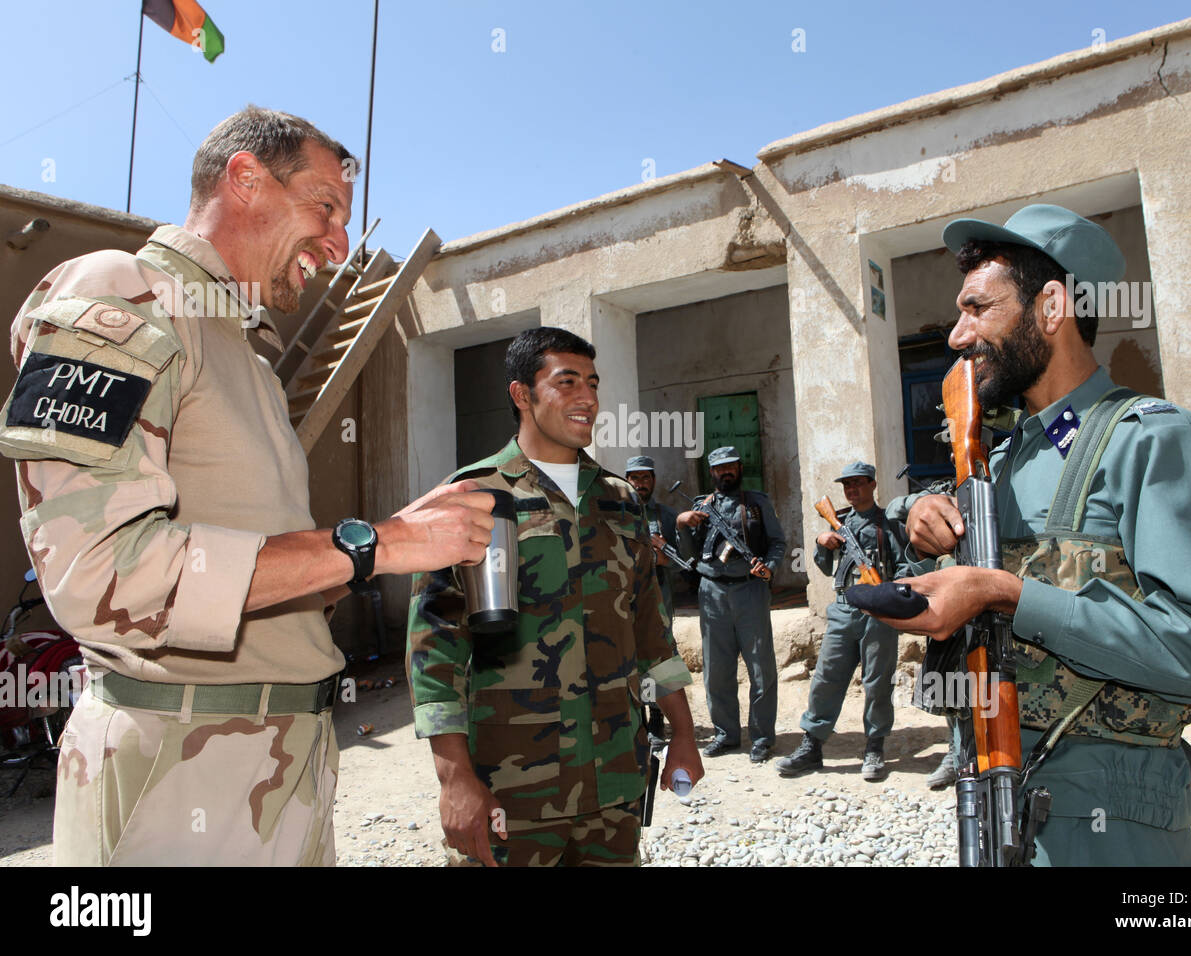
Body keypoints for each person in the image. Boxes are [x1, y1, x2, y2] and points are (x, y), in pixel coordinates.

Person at [0, 106, 495, 865]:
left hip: (278, 759)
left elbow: (246, 580)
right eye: (325, 208)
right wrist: (369, 546)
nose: (338, 243)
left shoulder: (249, 360)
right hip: (179, 771)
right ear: (245, 178)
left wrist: (379, 555)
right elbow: (97, 571)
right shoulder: (124, 293)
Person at [878, 204, 1191, 866]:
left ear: (1051, 307)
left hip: (1113, 818)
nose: (956, 335)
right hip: (999, 794)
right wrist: (922, 516)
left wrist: (1007, 593)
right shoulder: (1002, 458)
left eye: (978, 308)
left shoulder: (1154, 441)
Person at [407, 327, 703, 867]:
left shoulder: (620, 501)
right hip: (512, 788)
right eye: (566, 382)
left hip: (614, 782)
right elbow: (434, 652)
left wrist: (683, 732)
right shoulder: (473, 498)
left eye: (591, 383)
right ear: (522, 394)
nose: (587, 397)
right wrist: (454, 778)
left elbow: (650, 631)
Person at [777, 461, 906, 780]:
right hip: (844, 607)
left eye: (859, 484)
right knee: (826, 676)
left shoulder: (887, 524)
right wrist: (822, 544)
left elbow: (905, 566)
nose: (852, 490)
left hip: (879, 611)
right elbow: (824, 567)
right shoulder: (839, 523)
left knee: (877, 681)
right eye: (847, 486)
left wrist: (892, 593)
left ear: (873, 485)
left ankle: (874, 747)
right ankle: (812, 745)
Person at [677, 446, 786, 762]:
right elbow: (689, 555)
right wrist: (683, 524)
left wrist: (770, 566)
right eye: (719, 468)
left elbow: (778, 542)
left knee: (761, 669)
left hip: (750, 591)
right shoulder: (702, 507)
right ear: (711, 473)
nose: (726, 472)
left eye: (731, 467)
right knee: (717, 671)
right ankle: (725, 734)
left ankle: (762, 737)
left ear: (740, 468)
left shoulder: (757, 504)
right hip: (712, 593)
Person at [625, 455, 681, 627]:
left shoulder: (667, 516)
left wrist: (665, 560)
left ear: (654, 480)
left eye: (645, 478)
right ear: (626, 480)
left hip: (658, 597)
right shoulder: (615, 515)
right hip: (624, 594)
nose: (640, 484)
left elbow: (681, 561)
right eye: (635, 477)